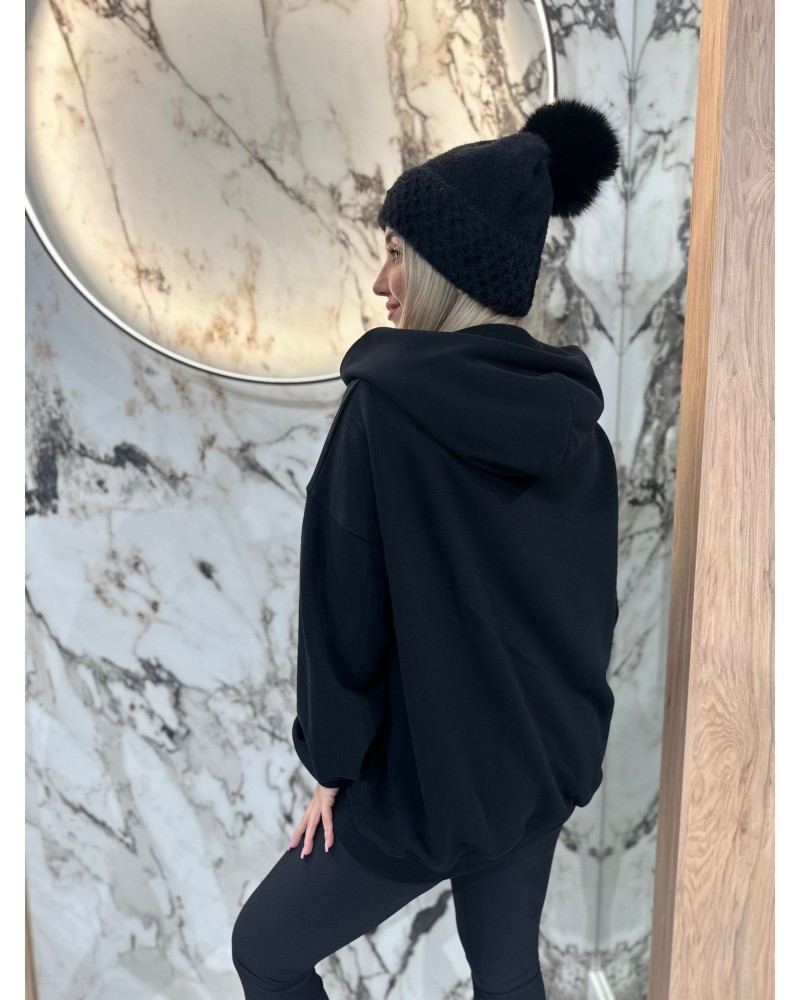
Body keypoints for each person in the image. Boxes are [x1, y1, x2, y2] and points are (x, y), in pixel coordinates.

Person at [232, 97, 621, 1000]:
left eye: (397, 252)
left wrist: (334, 767)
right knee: (507, 973)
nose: (381, 281)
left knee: (266, 950)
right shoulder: (579, 431)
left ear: (446, 266)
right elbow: (587, 611)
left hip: (423, 787)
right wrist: (558, 748)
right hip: (536, 769)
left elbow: (343, 616)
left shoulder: (384, 414)